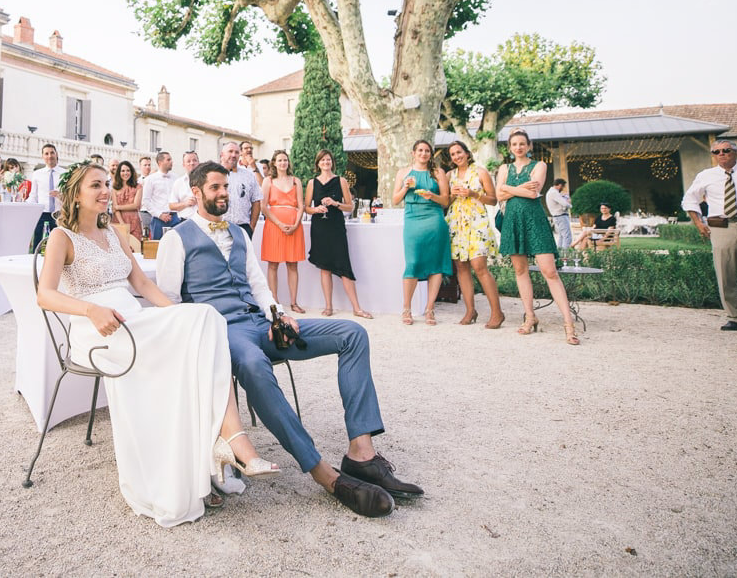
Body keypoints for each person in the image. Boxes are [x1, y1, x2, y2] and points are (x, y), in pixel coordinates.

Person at [157, 162, 423, 518]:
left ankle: (362, 453)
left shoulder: (239, 233)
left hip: (260, 322)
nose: (224, 194)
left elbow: (258, 284)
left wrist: (277, 315)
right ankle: (324, 474)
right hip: (221, 333)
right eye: (216, 188)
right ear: (196, 192)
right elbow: (171, 302)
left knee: (351, 333)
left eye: (227, 188)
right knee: (252, 363)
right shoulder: (176, 238)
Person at [37, 161, 279, 526]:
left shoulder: (116, 233)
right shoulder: (61, 237)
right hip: (96, 330)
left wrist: (178, 317)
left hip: (134, 320)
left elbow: (145, 286)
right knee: (193, 340)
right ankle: (220, 449)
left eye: (106, 184)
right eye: (95, 186)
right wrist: (90, 309)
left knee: (204, 320)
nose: (106, 191)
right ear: (75, 194)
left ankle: (228, 439)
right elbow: (44, 295)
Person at [495, 130, 579, 345]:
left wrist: (507, 188)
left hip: (535, 220)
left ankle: (569, 324)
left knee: (549, 271)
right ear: (510, 147)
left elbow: (533, 193)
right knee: (520, 270)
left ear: (529, 145)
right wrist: (516, 188)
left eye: (522, 143)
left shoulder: (539, 165)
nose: (519, 147)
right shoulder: (504, 168)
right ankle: (530, 316)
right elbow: (498, 196)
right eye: (514, 144)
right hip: (512, 221)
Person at [681, 139, 737, 331]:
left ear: (736, 152)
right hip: (721, 227)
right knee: (725, 273)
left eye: (726, 150)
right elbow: (690, 199)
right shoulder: (706, 175)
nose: (722, 154)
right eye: (716, 152)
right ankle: (735, 317)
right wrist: (699, 222)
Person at [445, 140, 504, 328]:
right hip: (457, 223)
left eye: (459, 152)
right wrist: (452, 195)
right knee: (461, 267)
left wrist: (473, 193)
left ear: (467, 153)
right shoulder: (449, 176)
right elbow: (446, 203)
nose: (456, 156)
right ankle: (470, 310)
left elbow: (493, 200)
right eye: (453, 154)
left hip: (477, 222)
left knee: (479, 266)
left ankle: (497, 312)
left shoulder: (480, 172)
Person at [393, 139, 451, 325]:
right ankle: (406, 309)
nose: (423, 154)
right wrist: (405, 187)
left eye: (427, 151)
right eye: (420, 150)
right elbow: (395, 200)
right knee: (413, 262)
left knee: (436, 264)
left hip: (434, 219)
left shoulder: (437, 172)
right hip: (412, 218)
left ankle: (429, 309)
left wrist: (431, 195)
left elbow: (445, 201)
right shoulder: (403, 173)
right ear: (413, 153)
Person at [304, 150, 365, 317]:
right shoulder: (312, 183)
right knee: (324, 267)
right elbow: (306, 207)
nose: (326, 162)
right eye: (322, 160)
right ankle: (328, 306)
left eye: (328, 159)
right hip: (319, 228)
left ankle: (357, 308)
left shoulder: (341, 181)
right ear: (318, 163)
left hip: (336, 227)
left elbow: (350, 206)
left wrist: (335, 203)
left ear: (332, 162)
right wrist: (316, 209)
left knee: (344, 265)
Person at [259, 149, 306, 313]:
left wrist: (295, 223)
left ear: (288, 162)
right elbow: (263, 206)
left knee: (293, 265)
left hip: (294, 225)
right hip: (274, 225)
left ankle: (294, 302)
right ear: (274, 163)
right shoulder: (268, 181)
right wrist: (279, 224)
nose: (283, 163)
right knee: (273, 264)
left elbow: (301, 205)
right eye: (279, 160)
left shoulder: (296, 181)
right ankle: (275, 303)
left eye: (285, 160)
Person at [219, 142, 262, 238]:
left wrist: (251, 227)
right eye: (230, 151)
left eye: (237, 152)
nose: (234, 155)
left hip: (243, 228)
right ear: (222, 154)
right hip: (219, 226)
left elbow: (256, 200)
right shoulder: (214, 174)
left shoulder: (248, 175)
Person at [29, 144, 61, 251]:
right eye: (46, 153)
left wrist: (61, 196)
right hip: (42, 215)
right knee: (39, 247)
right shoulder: (37, 174)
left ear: (56, 154)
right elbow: (33, 196)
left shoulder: (65, 174)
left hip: (59, 215)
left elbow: (72, 196)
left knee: (57, 247)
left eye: (52, 152)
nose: (49, 156)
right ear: (43, 156)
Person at [142, 151, 180, 240]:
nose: (172, 162)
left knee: (176, 246)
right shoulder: (150, 179)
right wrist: (159, 215)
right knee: (157, 248)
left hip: (175, 218)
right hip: (158, 219)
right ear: (160, 162)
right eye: (168, 160)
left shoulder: (177, 178)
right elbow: (146, 201)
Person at [111, 160, 143, 240]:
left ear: (131, 172)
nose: (125, 173)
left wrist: (118, 207)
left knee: (135, 247)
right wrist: (122, 224)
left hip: (134, 221)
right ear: (119, 172)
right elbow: (115, 209)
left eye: (128, 170)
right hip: (118, 221)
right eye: (123, 171)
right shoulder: (114, 188)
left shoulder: (138, 187)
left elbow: (136, 205)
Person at [168, 150, 202, 223]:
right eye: (188, 161)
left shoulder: (206, 181)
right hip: (184, 222)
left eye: (194, 160)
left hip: (202, 221)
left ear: (198, 163)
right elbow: (171, 206)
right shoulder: (178, 183)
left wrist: (200, 201)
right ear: (184, 165)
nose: (192, 163)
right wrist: (186, 203)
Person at [546, 178, 573, 249]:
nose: (563, 188)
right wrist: (569, 203)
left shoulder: (551, 192)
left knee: (561, 236)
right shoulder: (554, 192)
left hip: (557, 217)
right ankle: (565, 256)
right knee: (567, 236)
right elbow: (565, 204)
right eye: (563, 186)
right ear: (560, 185)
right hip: (561, 216)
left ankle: (560, 254)